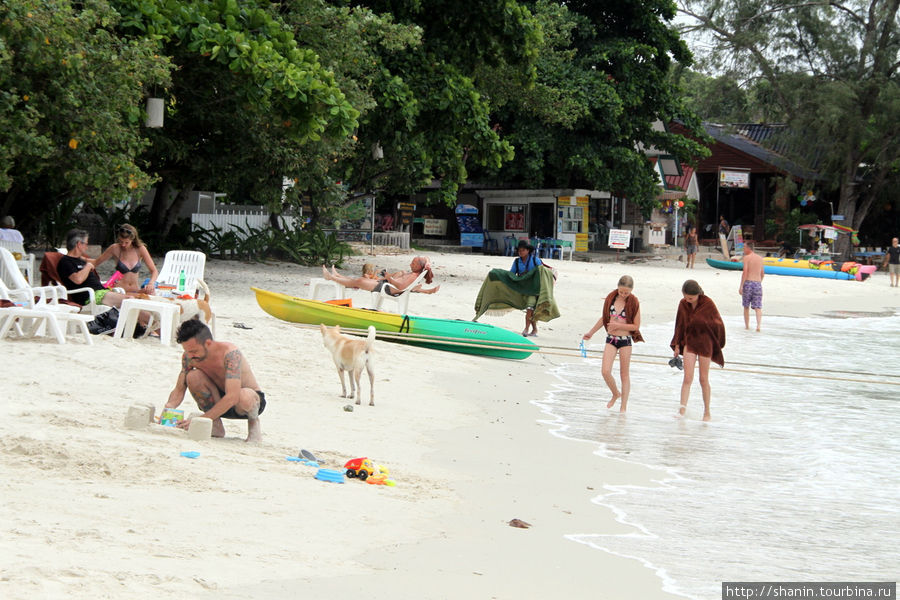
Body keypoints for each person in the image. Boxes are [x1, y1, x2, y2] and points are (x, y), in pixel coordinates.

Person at [162, 320, 264, 442]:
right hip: (217, 402)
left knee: (244, 395)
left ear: (208, 343)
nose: (190, 355)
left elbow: (233, 396)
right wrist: (169, 408)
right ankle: (215, 426)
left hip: (245, 404)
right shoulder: (189, 357)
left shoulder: (230, 354)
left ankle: (254, 427)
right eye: (187, 351)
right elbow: (179, 389)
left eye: (194, 351)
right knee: (192, 376)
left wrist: (202, 420)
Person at [582, 275, 644, 412]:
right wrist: (591, 332)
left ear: (631, 290)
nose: (623, 295)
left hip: (625, 341)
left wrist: (618, 325)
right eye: (621, 291)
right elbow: (604, 318)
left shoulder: (634, 302)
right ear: (617, 288)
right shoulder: (611, 298)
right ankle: (616, 393)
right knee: (605, 371)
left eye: (626, 292)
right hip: (611, 339)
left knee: (624, 374)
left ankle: (623, 407)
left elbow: (636, 326)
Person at [670, 280, 725, 421]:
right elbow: (679, 324)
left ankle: (707, 412)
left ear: (698, 294)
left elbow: (718, 323)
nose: (688, 300)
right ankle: (682, 410)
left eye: (691, 298)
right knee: (687, 378)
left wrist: (716, 342)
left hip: (706, 343)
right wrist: (676, 344)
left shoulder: (708, 303)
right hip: (690, 342)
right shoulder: (683, 304)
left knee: (703, 379)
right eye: (686, 297)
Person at [91, 224, 159, 294]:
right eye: (121, 241)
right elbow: (96, 262)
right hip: (119, 290)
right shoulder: (114, 248)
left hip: (135, 290)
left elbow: (154, 271)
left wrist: (151, 283)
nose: (123, 245)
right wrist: (81, 258)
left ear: (132, 240)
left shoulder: (140, 249)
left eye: (126, 242)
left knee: (152, 293)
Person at [323, 256, 440, 295]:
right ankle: (337, 275)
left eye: (413, 263)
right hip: (385, 285)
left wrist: (390, 278)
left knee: (359, 281)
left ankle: (332, 277)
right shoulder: (414, 273)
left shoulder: (414, 276)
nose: (410, 264)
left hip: (385, 288)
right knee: (360, 280)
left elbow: (400, 286)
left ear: (419, 266)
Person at [510, 240, 543, 336]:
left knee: (529, 308)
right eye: (519, 250)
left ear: (528, 250)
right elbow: (512, 274)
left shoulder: (535, 260)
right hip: (523, 289)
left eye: (523, 250)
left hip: (534, 290)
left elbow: (542, 274)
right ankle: (535, 330)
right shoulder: (516, 262)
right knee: (531, 310)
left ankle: (526, 329)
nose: (520, 252)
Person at [739, 240, 765, 331]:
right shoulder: (760, 258)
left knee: (746, 306)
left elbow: (745, 272)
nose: (743, 249)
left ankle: (747, 326)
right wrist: (759, 282)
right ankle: (758, 326)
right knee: (758, 307)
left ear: (748, 248)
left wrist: (741, 286)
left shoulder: (747, 258)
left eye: (744, 247)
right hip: (757, 284)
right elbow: (762, 273)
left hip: (748, 283)